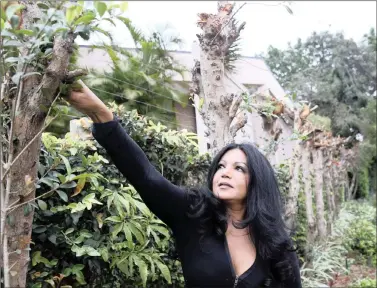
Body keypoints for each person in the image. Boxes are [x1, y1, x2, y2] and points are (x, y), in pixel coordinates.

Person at [67, 82, 302, 288]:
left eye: (238, 168)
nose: (225, 173)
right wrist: (101, 114)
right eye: (220, 166)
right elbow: (147, 177)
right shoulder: (193, 215)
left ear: (258, 181)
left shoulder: (276, 243)